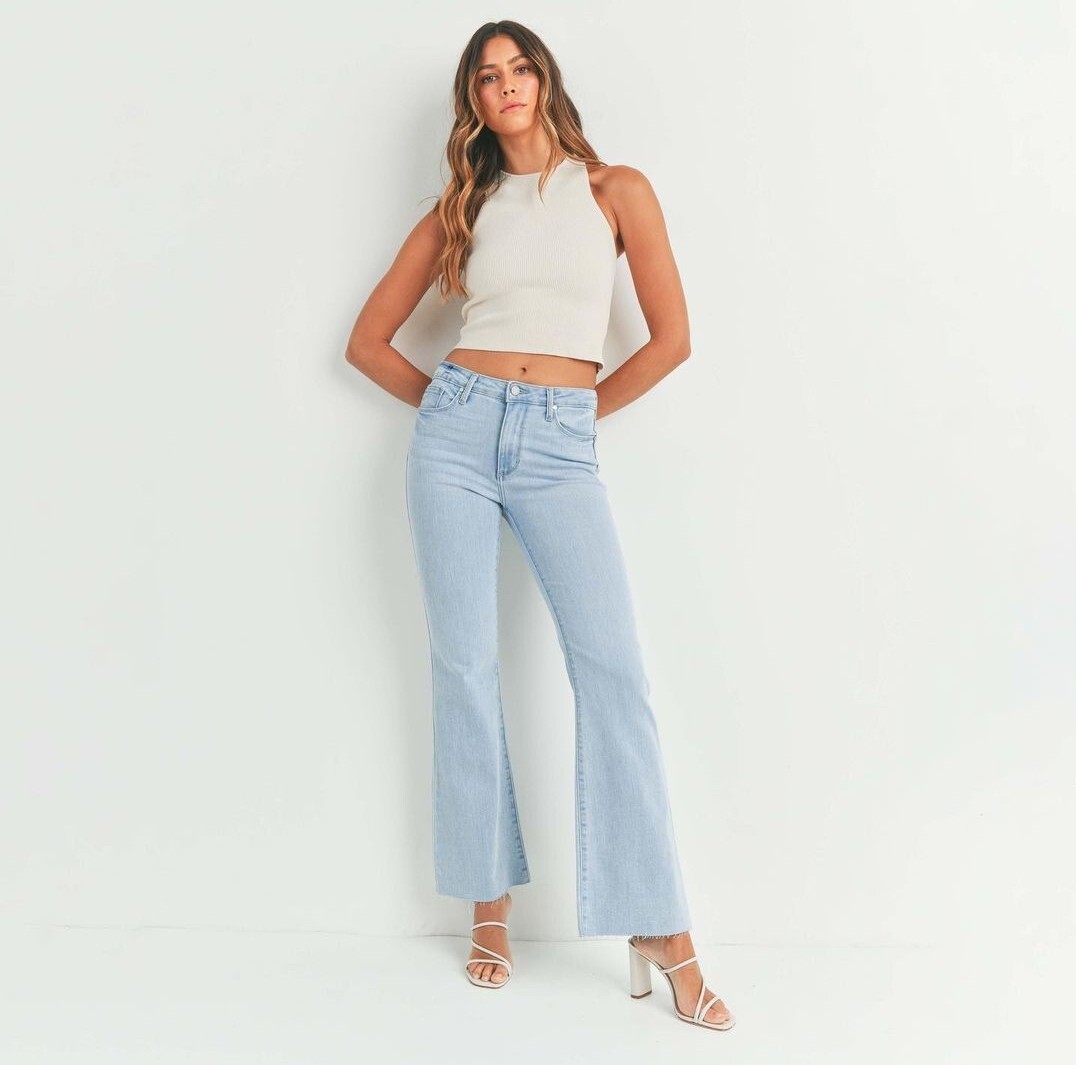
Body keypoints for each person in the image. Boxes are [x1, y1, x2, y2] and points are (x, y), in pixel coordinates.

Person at [345, 21, 734, 1031]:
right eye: (488, 76)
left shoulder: (615, 191)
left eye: (520, 69)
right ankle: (488, 904)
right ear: (474, 102)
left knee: (613, 674)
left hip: (561, 443)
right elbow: (368, 342)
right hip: (454, 441)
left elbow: (671, 340)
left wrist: (571, 415)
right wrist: (455, 410)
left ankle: (661, 927)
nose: (507, 85)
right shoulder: (462, 207)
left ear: (545, 81)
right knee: (464, 667)